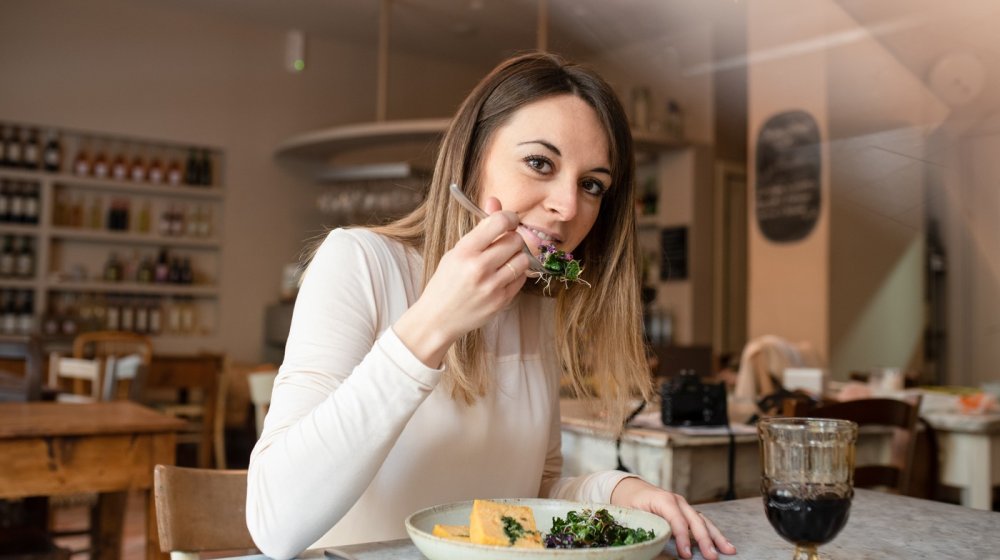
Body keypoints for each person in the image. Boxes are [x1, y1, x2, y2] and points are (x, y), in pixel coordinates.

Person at [246, 51, 735, 560]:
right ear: (472, 157)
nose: (568, 206)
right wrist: (433, 323)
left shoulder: (536, 306)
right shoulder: (359, 262)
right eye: (540, 163)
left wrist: (616, 491)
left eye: (592, 185)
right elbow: (275, 524)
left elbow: (528, 493)